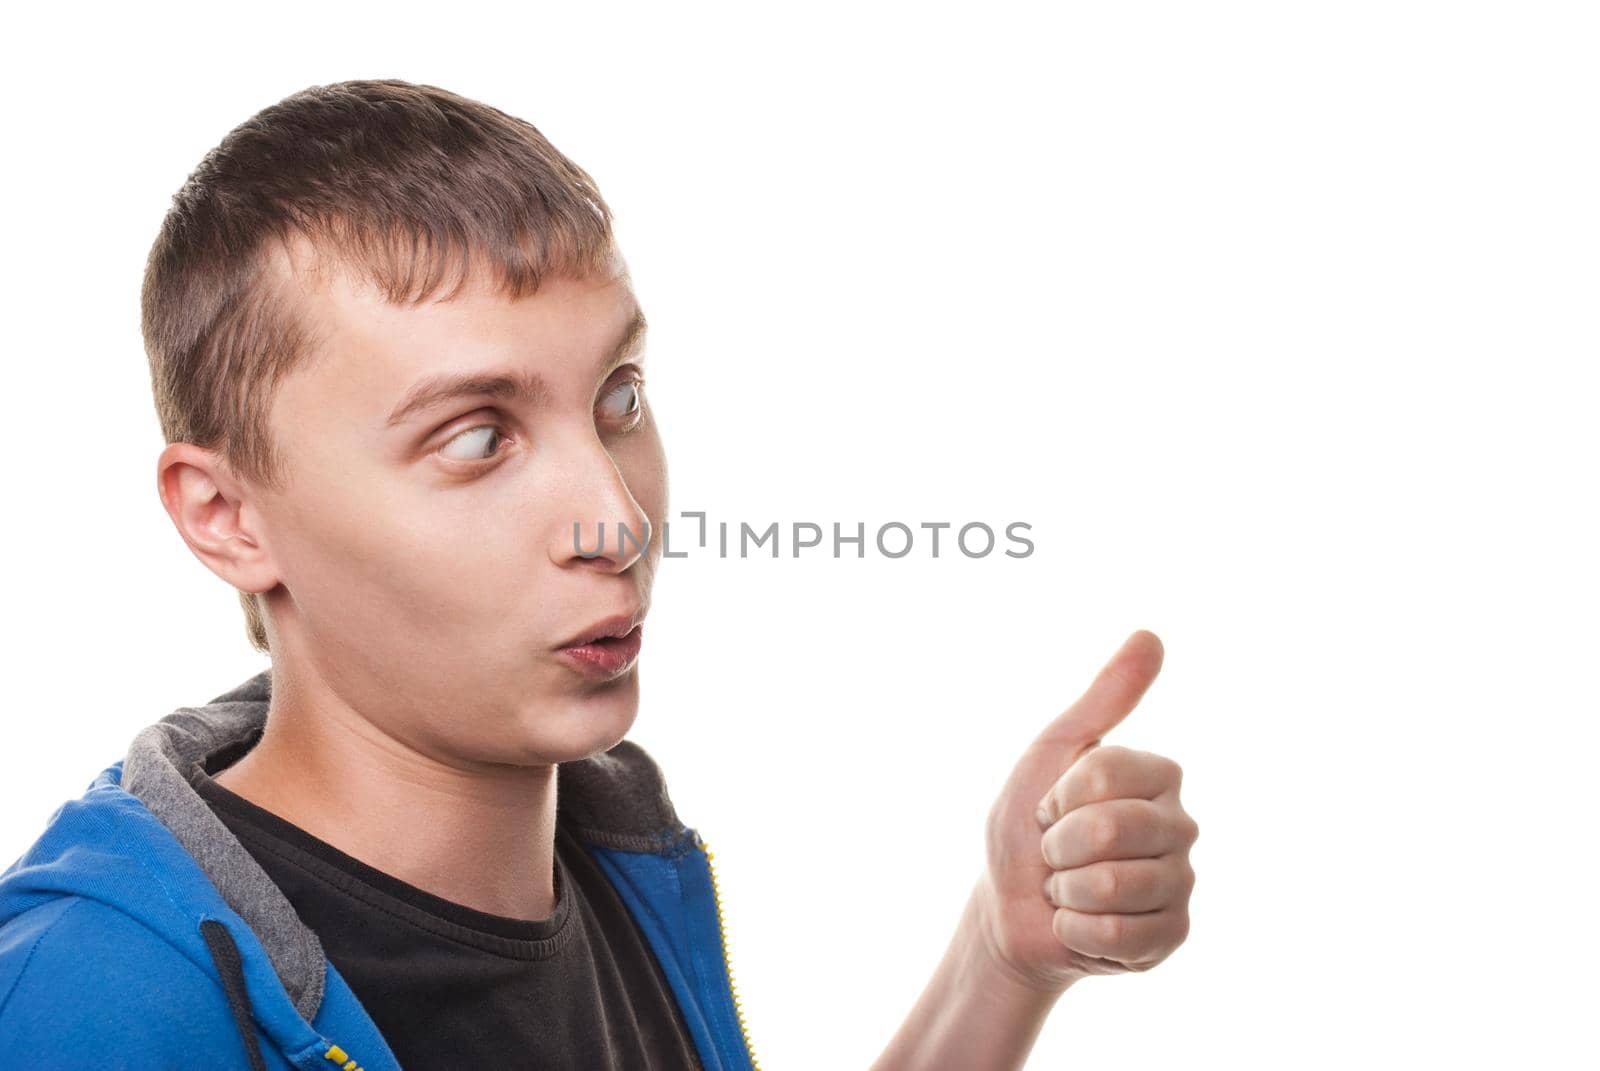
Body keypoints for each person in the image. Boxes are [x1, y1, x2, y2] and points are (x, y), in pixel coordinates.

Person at [0, 79, 1198, 1070]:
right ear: (227, 516)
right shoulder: (98, 1005)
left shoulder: (620, 856)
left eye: (618, 399)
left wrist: (998, 959)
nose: (613, 519)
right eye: (477, 436)